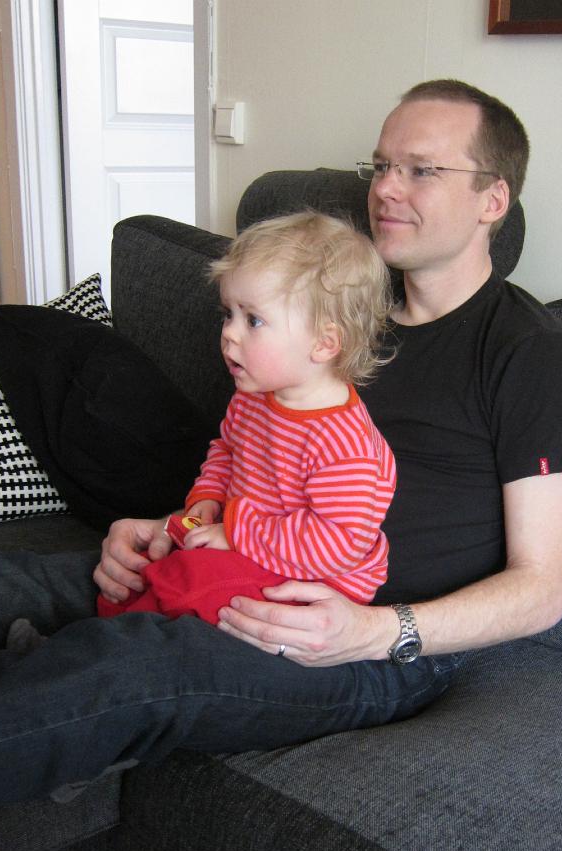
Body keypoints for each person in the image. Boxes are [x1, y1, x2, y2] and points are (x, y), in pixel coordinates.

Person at [0, 79, 562, 804]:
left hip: (362, 641)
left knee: (131, 664)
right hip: (237, 564)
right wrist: (165, 526)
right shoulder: (327, 312)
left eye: (421, 170)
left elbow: (542, 589)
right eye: (381, 166)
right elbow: (251, 462)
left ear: (493, 199)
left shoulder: (531, 356)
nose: (386, 188)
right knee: (23, 582)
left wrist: (377, 631)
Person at [96, 211, 396, 623]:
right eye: (228, 313)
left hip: (310, 583)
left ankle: (116, 639)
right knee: (143, 569)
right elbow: (227, 450)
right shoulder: (254, 396)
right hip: (251, 547)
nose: (229, 333)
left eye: (253, 319)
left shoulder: (342, 443)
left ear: (324, 343)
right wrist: (207, 497)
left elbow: (336, 543)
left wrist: (235, 531)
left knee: (186, 580)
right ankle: (91, 635)